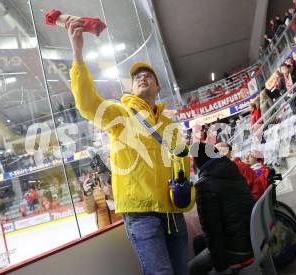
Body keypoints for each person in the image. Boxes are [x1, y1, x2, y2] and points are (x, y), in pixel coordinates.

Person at [67, 18, 189, 275]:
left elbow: (182, 166)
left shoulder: (170, 126)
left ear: (158, 87)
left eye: (148, 76)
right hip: (142, 215)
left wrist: (187, 198)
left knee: (181, 271)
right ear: (132, 88)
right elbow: (87, 104)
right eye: (137, 77)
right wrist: (77, 54)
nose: (142, 77)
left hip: (173, 213)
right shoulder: (118, 114)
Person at [189, 143, 254, 275]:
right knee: (198, 241)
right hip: (251, 235)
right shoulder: (231, 169)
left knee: (191, 269)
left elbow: (212, 230)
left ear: (197, 162)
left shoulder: (204, 186)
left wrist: (221, 266)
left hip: (238, 248)